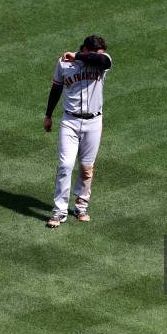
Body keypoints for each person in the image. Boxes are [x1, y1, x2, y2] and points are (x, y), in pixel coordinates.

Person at [43, 35, 112, 228]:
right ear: (87, 49)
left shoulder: (101, 61)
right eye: (97, 51)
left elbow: (103, 60)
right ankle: (59, 212)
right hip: (70, 121)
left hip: (94, 122)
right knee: (65, 165)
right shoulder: (64, 64)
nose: (102, 55)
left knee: (86, 167)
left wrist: (78, 56)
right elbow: (56, 88)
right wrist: (48, 115)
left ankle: (81, 205)